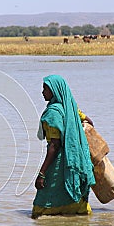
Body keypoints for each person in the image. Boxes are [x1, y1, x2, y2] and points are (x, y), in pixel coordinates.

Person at [32, 75, 96, 218]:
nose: (42, 92)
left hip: (59, 164)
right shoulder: (71, 108)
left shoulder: (53, 113)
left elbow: (54, 145)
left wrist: (42, 174)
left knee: (40, 209)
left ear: (54, 90)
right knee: (76, 203)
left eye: (45, 89)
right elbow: (90, 122)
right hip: (76, 161)